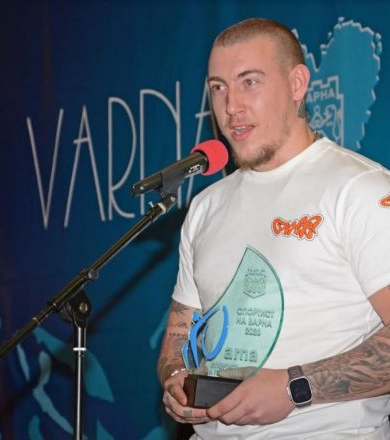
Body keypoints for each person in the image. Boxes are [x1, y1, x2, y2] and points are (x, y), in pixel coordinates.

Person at [157, 17, 390, 439]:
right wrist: (176, 378)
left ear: (297, 83)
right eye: (218, 88)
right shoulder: (206, 206)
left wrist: (295, 387)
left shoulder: (359, 189)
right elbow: (180, 333)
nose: (231, 106)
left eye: (249, 82)